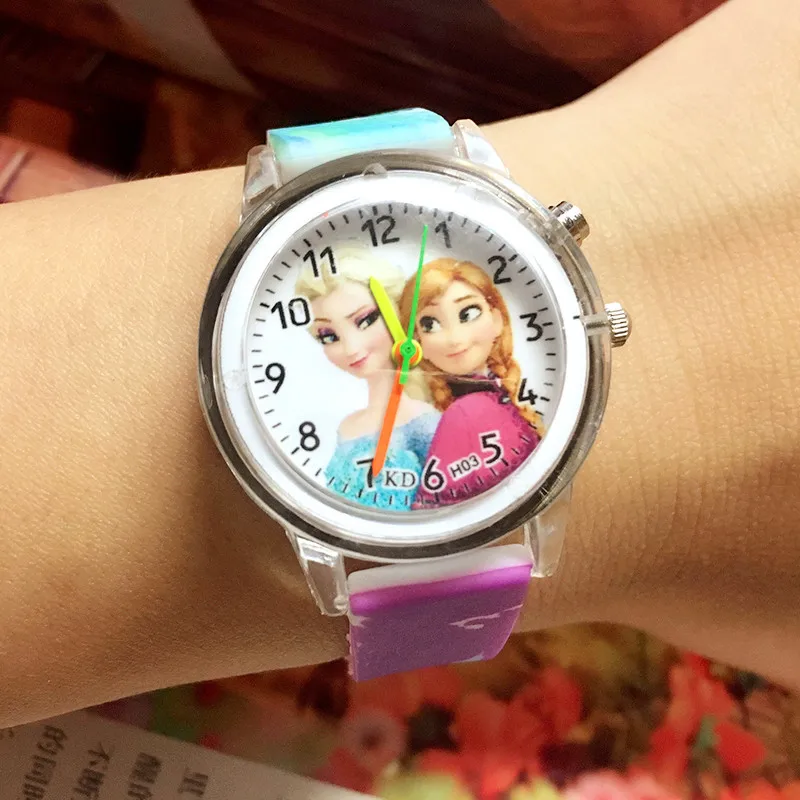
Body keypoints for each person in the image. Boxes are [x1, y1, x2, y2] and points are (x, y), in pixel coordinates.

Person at [1, 0, 799, 729]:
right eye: (327, 333)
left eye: (371, 320)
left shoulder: (471, 412)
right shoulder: (378, 424)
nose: (363, 344)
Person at [294, 247, 439, 509]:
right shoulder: (347, 426)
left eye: (365, 320)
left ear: (398, 312)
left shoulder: (425, 422)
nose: (351, 348)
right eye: (328, 336)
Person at [399, 258, 542, 507]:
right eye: (430, 324)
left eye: (468, 313)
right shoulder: (465, 412)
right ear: (417, 343)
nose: (454, 338)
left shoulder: (485, 399)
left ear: (497, 319)